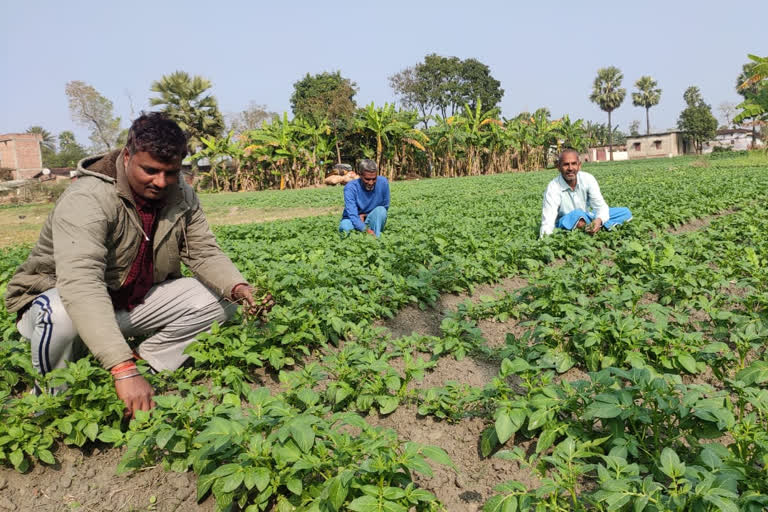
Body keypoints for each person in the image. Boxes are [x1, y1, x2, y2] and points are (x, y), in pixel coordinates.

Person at [4, 112, 274, 418]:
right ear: (128, 155)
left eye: (171, 172)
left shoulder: (181, 194)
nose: (161, 182)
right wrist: (122, 369)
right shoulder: (88, 199)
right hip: (62, 306)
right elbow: (80, 285)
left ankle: (145, 364)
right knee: (61, 311)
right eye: (150, 170)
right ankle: (52, 400)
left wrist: (240, 287)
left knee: (221, 297)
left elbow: (204, 252)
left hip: (128, 302)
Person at [539, 149, 632, 238]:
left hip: (586, 216)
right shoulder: (553, 187)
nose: (570, 168)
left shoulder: (588, 179)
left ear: (579, 165)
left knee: (624, 212)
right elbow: (548, 219)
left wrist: (598, 220)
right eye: (566, 164)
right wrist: (545, 241)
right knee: (577, 215)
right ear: (558, 167)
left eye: (574, 164)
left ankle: (592, 226)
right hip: (565, 221)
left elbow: (601, 207)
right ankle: (595, 227)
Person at [338, 159, 390, 237]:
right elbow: (352, 214)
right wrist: (364, 229)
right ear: (360, 175)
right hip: (353, 218)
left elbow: (385, 206)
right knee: (345, 227)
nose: (371, 182)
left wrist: (365, 215)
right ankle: (369, 234)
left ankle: (376, 238)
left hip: (370, 218)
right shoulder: (350, 188)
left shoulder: (383, 182)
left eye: (374, 179)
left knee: (381, 211)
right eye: (367, 179)